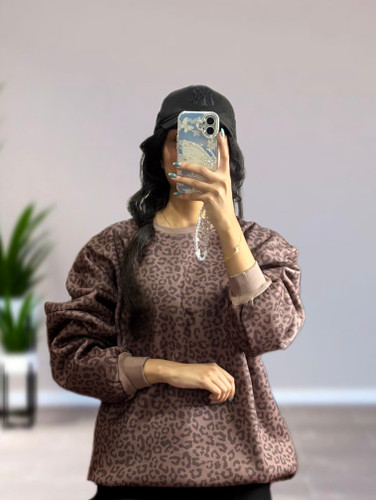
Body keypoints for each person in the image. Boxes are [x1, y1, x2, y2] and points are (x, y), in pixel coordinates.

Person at [44, 84, 306, 500]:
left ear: (228, 156)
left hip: (239, 468)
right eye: (177, 140)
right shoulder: (112, 248)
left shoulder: (262, 246)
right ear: (160, 154)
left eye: (208, 142)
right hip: (135, 467)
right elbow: (72, 359)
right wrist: (166, 370)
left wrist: (225, 222)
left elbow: (270, 331)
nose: (190, 153)